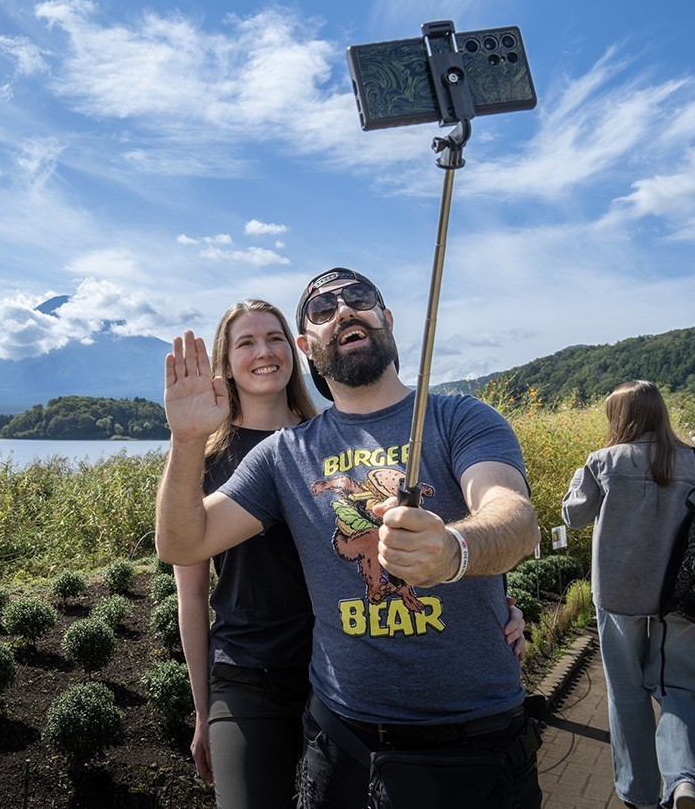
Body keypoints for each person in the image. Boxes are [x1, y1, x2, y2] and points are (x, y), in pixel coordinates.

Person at [157, 268, 542, 808]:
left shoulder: (460, 417)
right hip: (343, 747)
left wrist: (455, 551)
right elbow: (182, 544)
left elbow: (514, 516)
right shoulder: (284, 455)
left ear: (385, 318)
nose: (342, 311)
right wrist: (187, 439)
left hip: (476, 743)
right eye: (321, 309)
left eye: (358, 299)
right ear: (308, 348)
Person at [561, 380, 695, 809]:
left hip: (618, 591)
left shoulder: (603, 461)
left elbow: (573, 517)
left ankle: (639, 794)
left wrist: (582, 474)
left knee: (626, 691)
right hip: (683, 594)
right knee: (685, 688)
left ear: (620, 418)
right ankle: (684, 780)